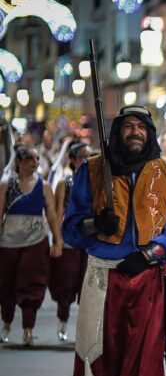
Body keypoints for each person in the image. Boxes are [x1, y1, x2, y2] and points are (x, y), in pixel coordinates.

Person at [63, 105, 166, 376]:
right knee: (98, 352)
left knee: (142, 358)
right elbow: (71, 226)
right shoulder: (91, 171)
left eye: (141, 127)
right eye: (128, 126)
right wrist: (92, 226)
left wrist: (149, 255)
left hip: (145, 276)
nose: (134, 132)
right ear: (117, 132)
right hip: (102, 275)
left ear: (149, 133)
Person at [1, 145, 63, 345]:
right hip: (9, 241)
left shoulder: (43, 186)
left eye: (37, 159)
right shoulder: (6, 183)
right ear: (19, 161)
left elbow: (52, 214)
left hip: (36, 240)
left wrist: (57, 240)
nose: (35, 163)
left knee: (33, 284)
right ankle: (7, 323)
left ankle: (28, 328)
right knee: (5, 285)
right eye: (30, 158)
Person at [49, 142, 90, 341]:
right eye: (82, 156)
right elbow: (57, 213)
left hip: (91, 241)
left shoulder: (97, 181)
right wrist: (56, 240)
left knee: (88, 286)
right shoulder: (65, 183)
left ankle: (86, 329)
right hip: (69, 238)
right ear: (73, 160)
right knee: (65, 284)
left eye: (89, 156)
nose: (87, 160)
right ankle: (62, 322)